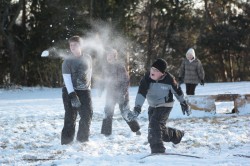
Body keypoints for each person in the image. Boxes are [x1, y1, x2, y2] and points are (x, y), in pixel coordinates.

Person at [127, 58, 191, 154]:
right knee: (159, 131)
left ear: (162, 73)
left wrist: (184, 103)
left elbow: (178, 92)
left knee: (154, 125)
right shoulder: (146, 79)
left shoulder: (169, 79)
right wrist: (137, 108)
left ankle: (158, 150)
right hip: (152, 106)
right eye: (152, 69)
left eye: (156, 71)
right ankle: (177, 135)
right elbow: (141, 94)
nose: (153, 72)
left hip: (165, 105)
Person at [99, 48, 141, 136]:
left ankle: (136, 129)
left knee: (125, 113)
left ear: (115, 57)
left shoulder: (120, 67)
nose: (108, 57)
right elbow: (103, 79)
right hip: (110, 94)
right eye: (108, 55)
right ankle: (106, 133)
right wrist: (101, 89)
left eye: (111, 55)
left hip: (122, 94)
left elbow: (126, 81)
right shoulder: (105, 67)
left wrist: (122, 94)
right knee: (107, 112)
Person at [61, 35, 93, 145]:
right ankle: (66, 142)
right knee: (71, 116)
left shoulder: (88, 57)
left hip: (84, 91)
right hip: (70, 91)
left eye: (75, 45)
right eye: (71, 45)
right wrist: (72, 95)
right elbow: (66, 79)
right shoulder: (67, 61)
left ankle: (82, 140)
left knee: (87, 114)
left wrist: (88, 88)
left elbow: (89, 72)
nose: (73, 47)